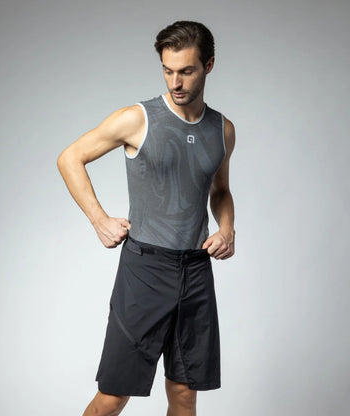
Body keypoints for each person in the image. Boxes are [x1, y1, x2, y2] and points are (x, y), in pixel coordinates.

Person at [57, 20, 236, 416]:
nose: (176, 82)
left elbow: (220, 191)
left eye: (186, 71)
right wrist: (99, 219)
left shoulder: (222, 130)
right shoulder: (137, 118)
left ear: (208, 65)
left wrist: (227, 229)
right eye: (167, 70)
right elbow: (70, 158)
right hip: (145, 271)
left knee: (185, 393)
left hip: (196, 270)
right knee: (114, 395)